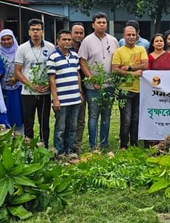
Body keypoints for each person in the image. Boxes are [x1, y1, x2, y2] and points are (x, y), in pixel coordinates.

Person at [78, 13, 119, 150]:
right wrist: (92, 78)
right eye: (99, 22)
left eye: (104, 22)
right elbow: (82, 63)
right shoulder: (87, 41)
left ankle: (104, 143)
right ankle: (93, 145)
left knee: (106, 115)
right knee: (93, 116)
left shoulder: (113, 40)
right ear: (93, 24)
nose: (102, 25)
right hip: (93, 86)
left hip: (109, 85)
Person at [15, 19, 56, 147]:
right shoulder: (22, 48)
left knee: (44, 122)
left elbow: (54, 68)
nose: (36, 33)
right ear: (29, 32)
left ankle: (45, 147)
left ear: (42, 31)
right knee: (28, 122)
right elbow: (17, 71)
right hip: (28, 92)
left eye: (38, 30)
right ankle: (29, 148)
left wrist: (49, 84)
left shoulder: (50, 47)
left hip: (45, 91)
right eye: (33, 30)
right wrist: (31, 85)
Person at [112, 25, 148, 149]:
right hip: (124, 90)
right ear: (124, 36)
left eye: (133, 35)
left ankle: (134, 144)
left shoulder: (141, 49)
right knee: (126, 120)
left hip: (139, 89)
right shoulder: (119, 51)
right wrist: (133, 73)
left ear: (137, 35)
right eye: (128, 35)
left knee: (135, 119)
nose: (131, 37)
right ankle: (123, 145)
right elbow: (115, 69)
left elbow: (145, 65)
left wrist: (129, 67)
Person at [47, 30, 82, 155]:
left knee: (73, 126)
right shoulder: (53, 57)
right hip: (61, 99)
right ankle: (59, 152)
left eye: (69, 39)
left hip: (75, 98)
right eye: (64, 39)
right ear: (58, 41)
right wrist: (55, 98)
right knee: (60, 127)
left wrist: (80, 91)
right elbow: (51, 79)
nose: (67, 42)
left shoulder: (74, 56)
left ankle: (69, 150)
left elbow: (77, 74)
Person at [0, 29, 23, 134]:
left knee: (18, 110)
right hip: (2, 88)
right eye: (3, 40)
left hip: (18, 86)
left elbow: (26, 67)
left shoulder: (20, 51)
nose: (6, 42)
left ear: (13, 39)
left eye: (9, 39)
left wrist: (16, 78)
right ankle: (6, 133)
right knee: (5, 110)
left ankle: (20, 133)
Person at [70, 23, 86, 152]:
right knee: (67, 119)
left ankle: (77, 145)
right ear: (71, 33)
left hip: (84, 88)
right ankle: (66, 145)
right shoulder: (64, 47)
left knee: (80, 119)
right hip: (66, 89)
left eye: (81, 33)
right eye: (76, 32)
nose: (79, 35)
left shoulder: (86, 46)